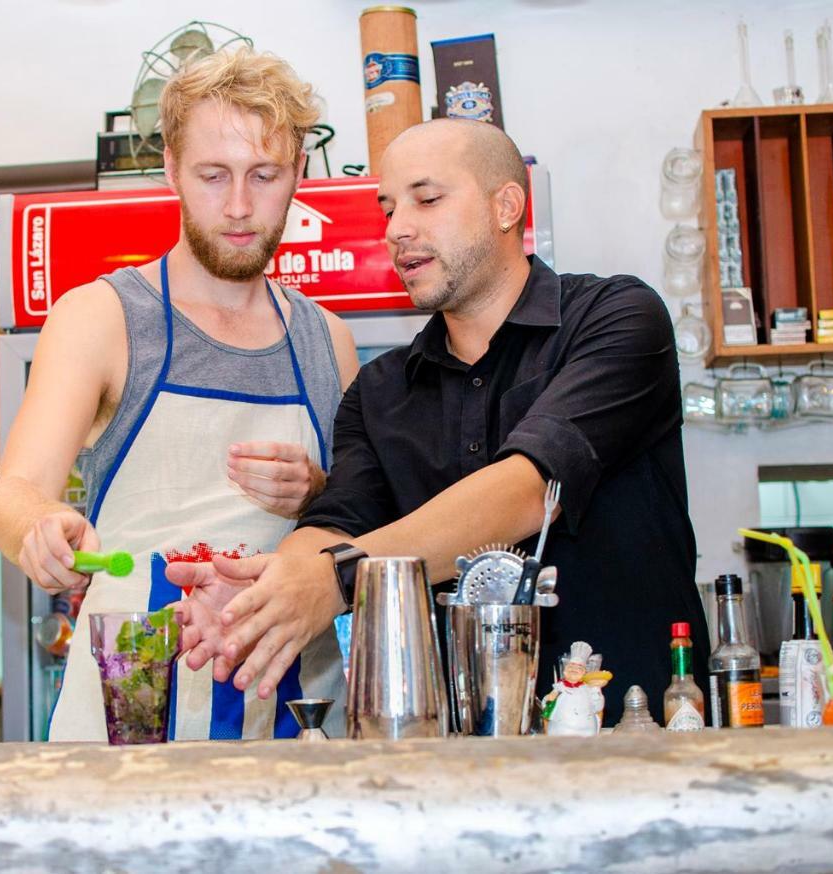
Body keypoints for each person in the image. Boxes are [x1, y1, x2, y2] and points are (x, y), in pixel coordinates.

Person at [167, 119, 711, 724]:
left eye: (427, 199)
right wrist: (268, 592)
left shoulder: (615, 319)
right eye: (388, 208)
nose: (398, 228)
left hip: (640, 737)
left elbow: (531, 490)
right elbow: (337, 521)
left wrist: (335, 580)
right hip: (453, 760)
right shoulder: (378, 392)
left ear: (506, 205)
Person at [0, 48, 359, 742]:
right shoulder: (100, 318)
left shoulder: (325, 340)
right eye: (214, 176)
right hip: (128, 707)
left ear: (300, 172)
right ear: (170, 171)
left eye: (265, 175)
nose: (240, 206)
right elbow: (13, 491)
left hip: (295, 716)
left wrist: (316, 490)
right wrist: (38, 524)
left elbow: (364, 525)